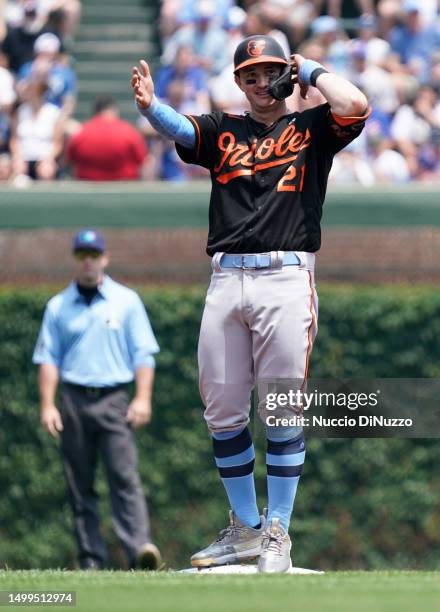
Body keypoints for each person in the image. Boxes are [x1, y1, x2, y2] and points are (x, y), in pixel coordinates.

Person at [132, 34, 369, 572]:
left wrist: (307, 70)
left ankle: (278, 530)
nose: (261, 83)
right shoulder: (223, 129)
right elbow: (181, 129)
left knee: (282, 407)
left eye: (269, 72)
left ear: (284, 72)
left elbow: (354, 104)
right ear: (238, 82)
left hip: (286, 276)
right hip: (225, 279)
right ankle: (245, 527)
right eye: (250, 75)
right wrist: (150, 107)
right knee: (222, 409)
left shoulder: (311, 126)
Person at [32, 229, 161, 570]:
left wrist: (142, 398)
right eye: (81, 255)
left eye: (93, 254)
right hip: (73, 400)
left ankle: (139, 552)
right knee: (79, 484)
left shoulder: (126, 301)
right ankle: (91, 559)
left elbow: (144, 354)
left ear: (104, 258)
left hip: (114, 400)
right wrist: (48, 404)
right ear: (75, 260)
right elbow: (48, 359)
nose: (87, 261)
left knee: (124, 478)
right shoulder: (58, 306)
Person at [66, 96, 148, 181]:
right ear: (115, 110)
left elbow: (70, 159)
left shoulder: (82, 132)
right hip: (124, 188)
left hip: (89, 188)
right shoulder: (129, 131)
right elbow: (142, 160)